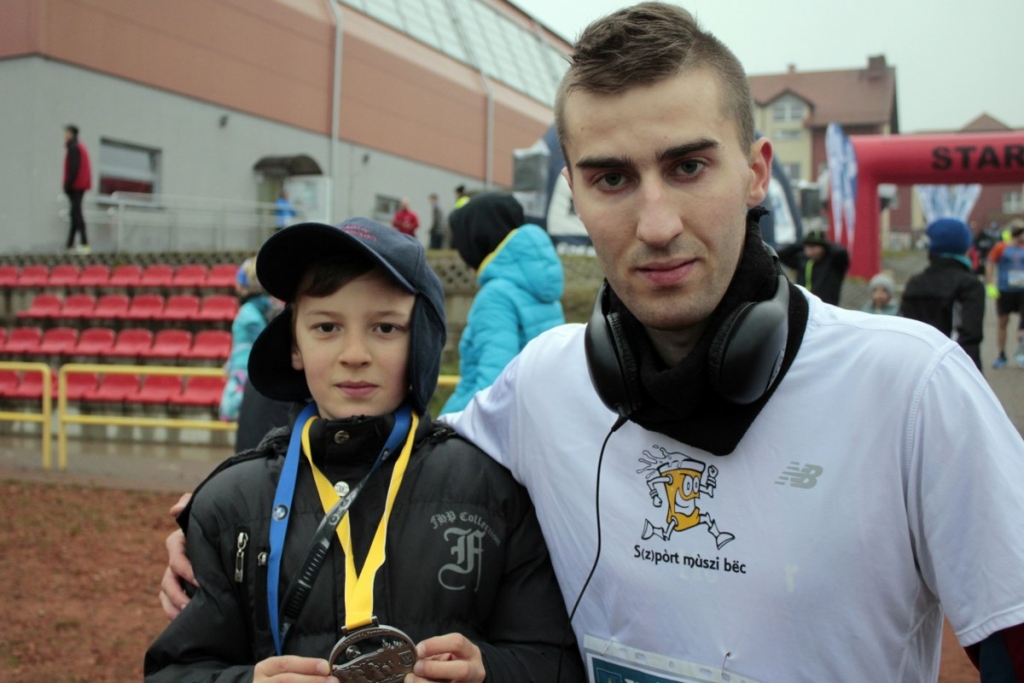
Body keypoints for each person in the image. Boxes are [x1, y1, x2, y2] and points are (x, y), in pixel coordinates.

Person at [162, 5, 1024, 681]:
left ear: (758, 170)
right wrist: (211, 516)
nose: (657, 222)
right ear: (573, 193)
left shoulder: (914, 386)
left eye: (688, 165)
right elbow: (386, 461)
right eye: (612, 177)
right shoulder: (543, 382)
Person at [146, 218, 582, 683]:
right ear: (294, 345)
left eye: (386, 328)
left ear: (422, 341)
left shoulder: (491, 487)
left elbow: (555, 662)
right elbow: (176, 671)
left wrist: (488, 672)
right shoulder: (230, 502)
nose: (354, 353)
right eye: (326, 326)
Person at [441, 192, 565, 414]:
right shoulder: (538, 286)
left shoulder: (495, 296)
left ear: (476, 242)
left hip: (492, 426)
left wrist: (446, 423)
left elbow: (492, 387)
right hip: (537, 415)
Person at [900, 218, 985, 369]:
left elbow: (904, 328)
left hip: (915, 365)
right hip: (954, 367)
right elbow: (969, 336)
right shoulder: (970, 285)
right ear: (964, 246)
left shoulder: (915, 282)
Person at [217, 257, 281, 423]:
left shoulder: (247, 313)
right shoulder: (268, 307)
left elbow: (262, 345)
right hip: (251, 373)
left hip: (245, 374)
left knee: (232, 413)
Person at [985, 219, 1024, 368]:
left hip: (1022, 291)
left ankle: (1021, 354)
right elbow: (990, 263)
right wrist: (990, 284)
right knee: (1003, 322)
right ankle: (1001, 355)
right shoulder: (1001, 247)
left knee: (1022, 326)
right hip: (1005, 291)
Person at [778, 228, 850, 305]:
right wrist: (801, 245)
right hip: (803, 304)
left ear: (823, 248)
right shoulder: (802, 260)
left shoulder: (833, 263)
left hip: (825, 306)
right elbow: (780, 255)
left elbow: (841, 252)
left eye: (814, 246)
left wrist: (824, 244)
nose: (810, 249)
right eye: (808, 246)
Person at [63, 124, 92, 253]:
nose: (64, 135)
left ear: (71, 134)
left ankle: (84, 243)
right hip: (79, 185)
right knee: (74, 214)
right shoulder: (78, 147)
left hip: (76, 186)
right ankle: (70, 245)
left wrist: (67, 185)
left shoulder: (74, 147)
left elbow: (73, 168)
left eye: (66, 132)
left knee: (77, 214)